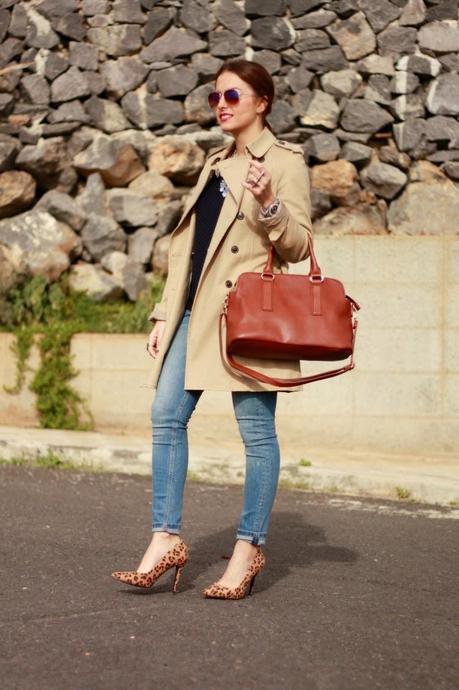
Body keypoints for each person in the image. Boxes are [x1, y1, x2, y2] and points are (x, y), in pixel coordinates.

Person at [112, 59, 313, 600]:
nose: (220, 105)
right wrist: (163, 315)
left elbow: (299, 246)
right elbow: (189, 252)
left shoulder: (285, 161)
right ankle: (165, 538)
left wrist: (270, 201)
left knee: (256, 433)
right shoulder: (215, 162)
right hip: (192, 314)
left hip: (247, 317)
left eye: (231, 96)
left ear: (261, 102)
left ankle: (248, 549)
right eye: (214, 98)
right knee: (165, 415)